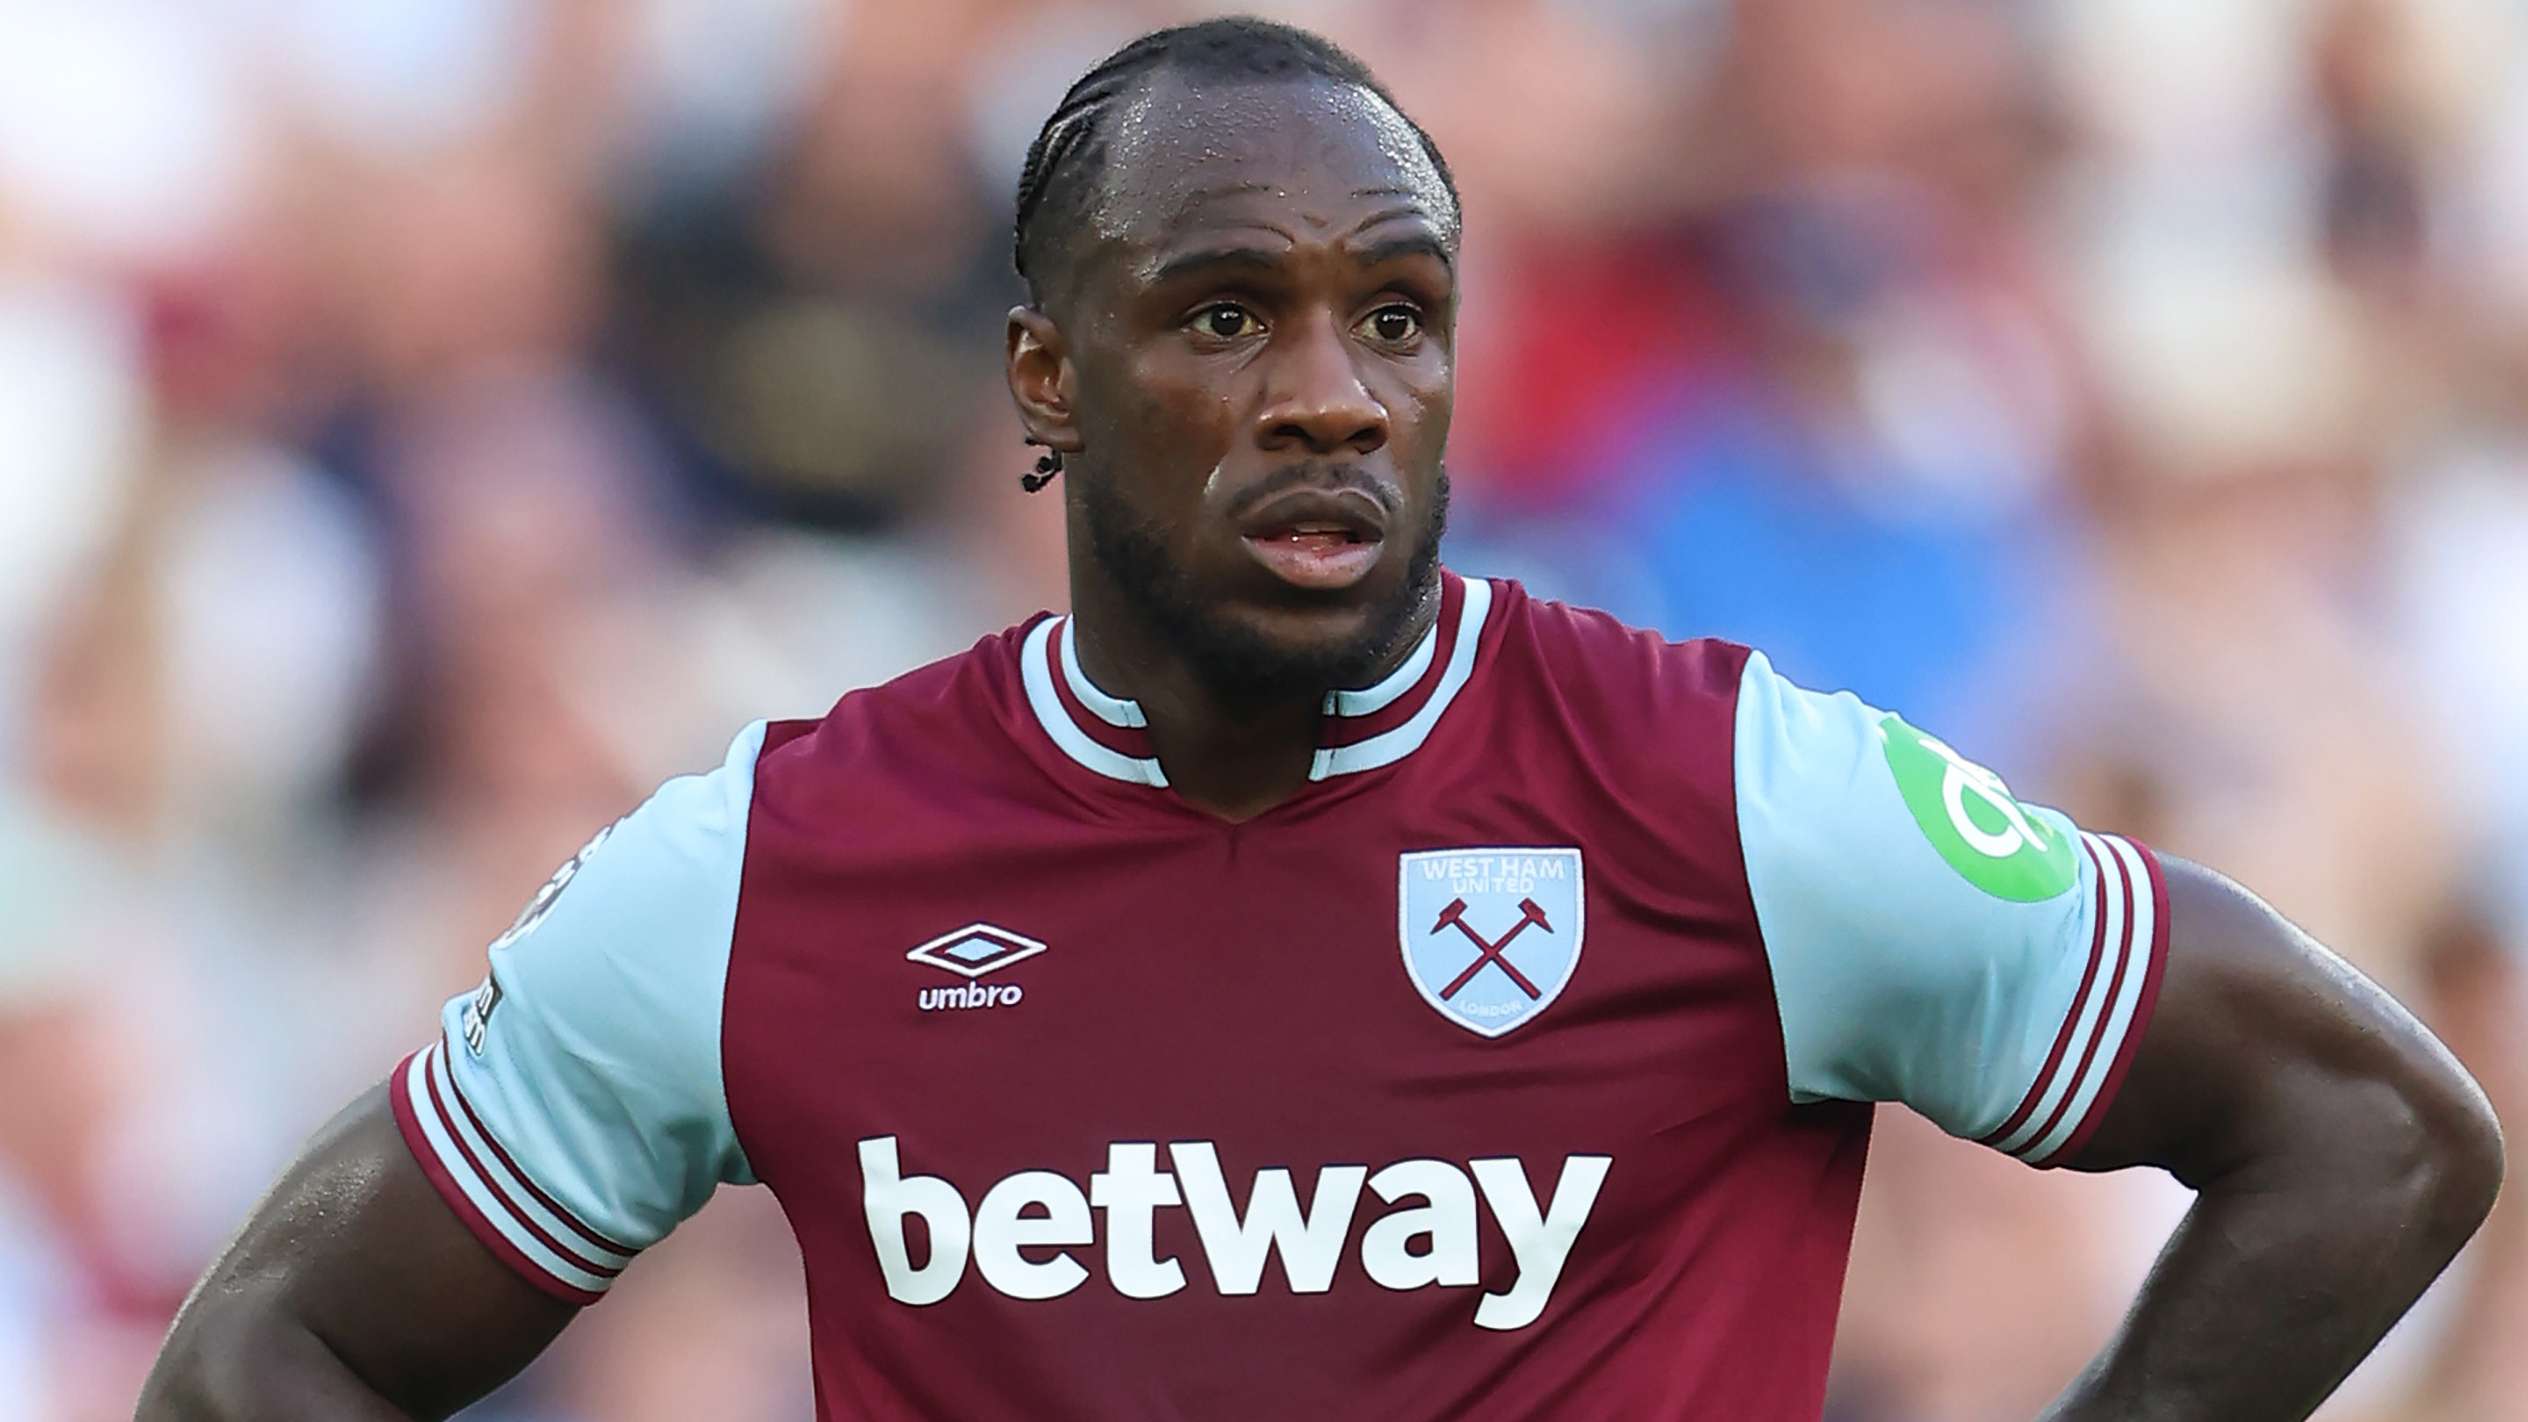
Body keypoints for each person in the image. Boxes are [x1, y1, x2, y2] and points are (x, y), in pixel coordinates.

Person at [138, 19, 2502, 1421]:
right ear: (1044, 379)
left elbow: (2368, 1130)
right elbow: (268, 1358)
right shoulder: (775, 869)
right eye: (1225, 316)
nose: (1332, 395)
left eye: (1396, 315)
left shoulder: (1728, 796)